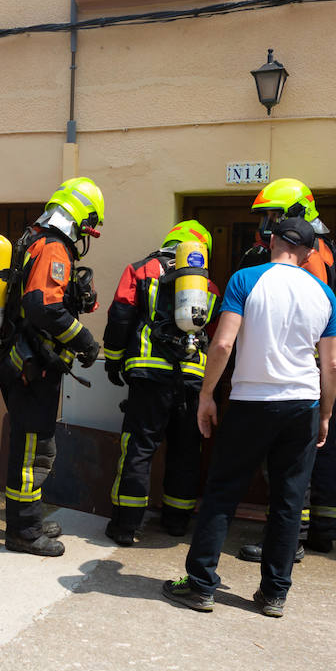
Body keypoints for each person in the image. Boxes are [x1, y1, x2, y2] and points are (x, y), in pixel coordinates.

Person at [160, 218, 336, 618]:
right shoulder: (324, 293)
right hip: (303, 405)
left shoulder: (245, 280)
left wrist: (207, 394)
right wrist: (325, 414)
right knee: (288, 502)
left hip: (250, 402)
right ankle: (274, 594)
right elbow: (332, 366)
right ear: (310, 253)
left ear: (273, 241)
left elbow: (223, 342)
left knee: (223, 493)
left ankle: (201, 586)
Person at [235, 178, 336, 562]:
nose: (268, 225)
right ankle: (321, 530)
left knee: (289, 466)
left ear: (296, 216)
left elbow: (296, 314)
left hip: (299, 369)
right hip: (318, 367)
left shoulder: (307, 257)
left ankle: (289, 539)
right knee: (317, 452)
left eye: (274, 216)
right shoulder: (325, 250)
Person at [0, 177, 105, 557]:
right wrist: (85, 342)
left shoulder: (35, 240)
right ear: (81, 218)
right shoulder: (55, 248)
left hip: (25, 361)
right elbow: (43, 308)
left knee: (38, 447)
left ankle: (31, 519)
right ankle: (23, 532)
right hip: (32, 368)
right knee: (30, 452)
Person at [100, 221, 222, 546]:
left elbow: (120, 317)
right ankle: (177, 521)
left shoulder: (140, 269)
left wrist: (113, 360)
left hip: (148, 374)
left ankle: (126, 526)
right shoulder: (206, 285)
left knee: (139, 447)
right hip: (192, 377)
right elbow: (211, 333)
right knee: (186, 449)